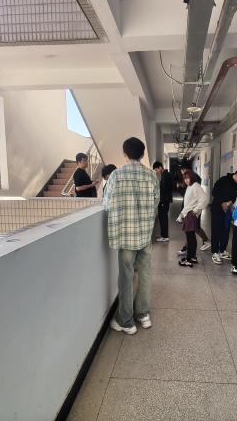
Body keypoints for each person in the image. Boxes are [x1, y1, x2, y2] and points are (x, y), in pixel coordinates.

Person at [103, 138, 159, 335]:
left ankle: (126, 322)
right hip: (145, 234)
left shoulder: (116, 175)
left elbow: (107, 204)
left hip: (126, 235)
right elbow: (156, 203)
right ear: (142, 154)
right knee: (145, 273)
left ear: (125, 154)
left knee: (126, 277)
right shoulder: (152, 175)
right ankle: (143, 315)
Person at [210, 168, 237, 265]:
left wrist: (229, 203)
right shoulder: (223, 180)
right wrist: (222, 202)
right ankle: (215, 252)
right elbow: (214, 192)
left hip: (228, 210)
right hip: (217, 209)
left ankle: (222, 250)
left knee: (226, 230)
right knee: (216, 230)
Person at [177, 170, 208, 267]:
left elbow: (204, 199)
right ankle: (192, 257)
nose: (186, 180)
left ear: (192, 177)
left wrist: (195, 210)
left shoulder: (195, 186)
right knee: (191, 237)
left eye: (188, 178)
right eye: (185, 178)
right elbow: (188, 204)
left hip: (191, 215)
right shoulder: (190, 187)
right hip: (188, 214)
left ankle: (189, 258)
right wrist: (181, 215)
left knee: (190, 237)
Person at [153, 161, 174, 242]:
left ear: (160, 167)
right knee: (162, 218)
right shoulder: (165, 174)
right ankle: (163, 235)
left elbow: (164, 188)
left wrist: (157, 189)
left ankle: (165, 236)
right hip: (165, 200)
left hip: (164, 200)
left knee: (163, 218)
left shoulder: (165, 175)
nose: (156, 171)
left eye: (156, 169)